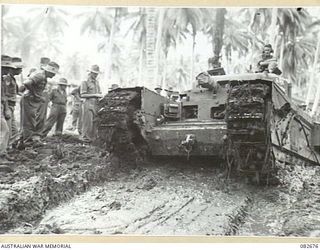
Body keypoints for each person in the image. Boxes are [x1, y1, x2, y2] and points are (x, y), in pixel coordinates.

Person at [19, 61, 60, 144]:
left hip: (32, 100)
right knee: (28, 122)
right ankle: (27, 142)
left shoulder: (43, 77)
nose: (54, 75)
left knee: (32, 120)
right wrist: (36, 95)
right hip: (29, 99)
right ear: (49, 71)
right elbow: (27, 83)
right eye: (53, 73)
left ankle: (24, 141)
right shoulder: (40, 76)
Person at [80, 65, 103, 142]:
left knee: (94, 123)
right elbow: (82, 95)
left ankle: (92, 139)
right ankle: (85, 139)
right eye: (94, 73)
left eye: (97, 74)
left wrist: (100, 96)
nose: (96, 75)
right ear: (90, 73)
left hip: (96, 104)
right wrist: (95, 95)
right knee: (88, 123)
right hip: (88, 103)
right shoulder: (85, 82)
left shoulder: (97, 82)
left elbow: (99, 92)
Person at [6, 57, 23, 144]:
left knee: (13, 127)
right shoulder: (8, 78)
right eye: (20, 68)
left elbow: (14, 91)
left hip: (11, 105)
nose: (21, 71)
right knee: (8, 128)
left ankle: (11, 145)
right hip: (7, 105)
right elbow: (4, 92)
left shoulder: (12, 78)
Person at [0, 55, 13, 162]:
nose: (8, 70)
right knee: (4, 130)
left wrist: (6, 109)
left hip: (2, 106)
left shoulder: (3, 80)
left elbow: (4, 96)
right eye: (5, 67)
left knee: (5, 130)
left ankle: (3, 153)